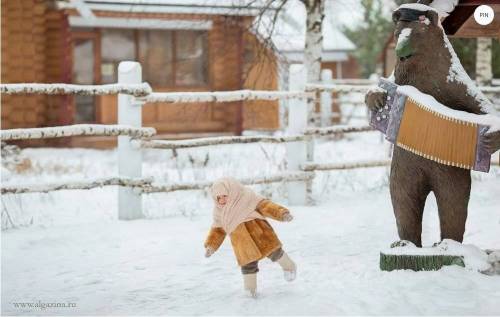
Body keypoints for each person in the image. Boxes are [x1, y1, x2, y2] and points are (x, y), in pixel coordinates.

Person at [204, 177, 297, 297]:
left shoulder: (247, 197)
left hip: (260, 233)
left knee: (275, 252)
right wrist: (211, 245)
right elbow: (218, 230)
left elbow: (266, 206)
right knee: (248, 266)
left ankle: (289, 267)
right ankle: (250, 291)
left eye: (224, 196)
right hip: (242, 243)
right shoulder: (219, 212)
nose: (222, 200)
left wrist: (282, 214)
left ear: (232, 191)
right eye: (218, 198)